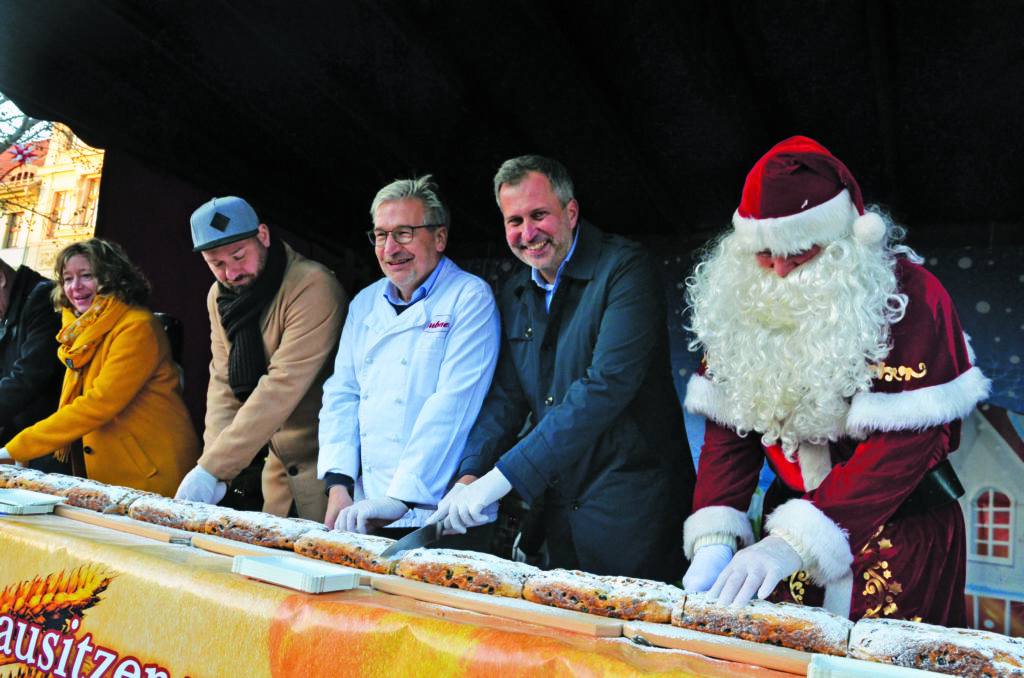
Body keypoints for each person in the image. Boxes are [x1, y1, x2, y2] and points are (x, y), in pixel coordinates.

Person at [681, 136, 990, 625]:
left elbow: (907, 444)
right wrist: (716, 540)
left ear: (846, 237)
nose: (780, 271)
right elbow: (730, 433)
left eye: (799, 253)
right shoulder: (744, 297)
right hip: (786, 541)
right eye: (764, 254)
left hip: (900, 536)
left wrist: (795, 541)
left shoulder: (911, 300)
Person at [430, 155, 695, 582]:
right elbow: (506, 398)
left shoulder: (625, 268)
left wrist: (503, 478)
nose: (527, 233)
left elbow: (603, 388)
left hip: (635, 515)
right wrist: (470, 474)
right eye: (514, 221)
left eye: (539, 215)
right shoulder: (517, 289)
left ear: (570, 212)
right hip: (560, 513)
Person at [318, 175, 500, 535]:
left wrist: (403, 498)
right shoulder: (364, 304)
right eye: (381, 235)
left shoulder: (469, 297)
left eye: (404, 233)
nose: (390, 248)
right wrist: (339, 487)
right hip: (366, 506)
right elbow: (343, 393)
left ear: (440, 238)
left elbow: (452, 404)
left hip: (444, 513)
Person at [177, 196, 347, 521]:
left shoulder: (313, 285)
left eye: (239, 256)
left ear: (264, 236)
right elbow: (224, 384)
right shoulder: (219, 296)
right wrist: (212, 469)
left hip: (327, 472)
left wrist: (214, 468)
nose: (231, 272)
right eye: (216, 263)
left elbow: (281, 385)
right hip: (279, 474)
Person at [0, 239, 200, 495]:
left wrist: (16, 448)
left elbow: (97, 404)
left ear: (112, 277)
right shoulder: (77, 333)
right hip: (107, 479)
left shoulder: (137, 327)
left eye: (86, 276)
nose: (76, 287)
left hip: (152, 474)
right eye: (68, 279)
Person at [0, 258, 70, 475]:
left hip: (55, 447)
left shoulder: (43, 297)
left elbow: (30, 375)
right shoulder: (13, 304)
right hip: (29, 441)